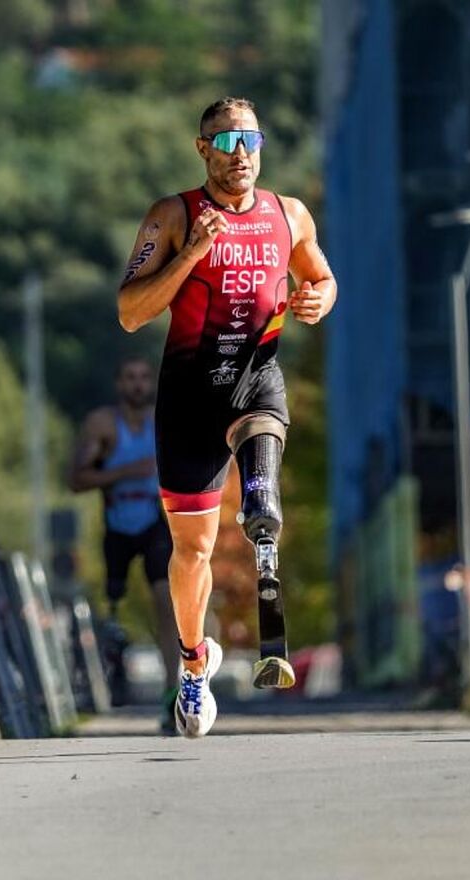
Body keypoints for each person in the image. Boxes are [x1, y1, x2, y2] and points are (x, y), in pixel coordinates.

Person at [117, 97, 337, 737]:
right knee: (192, 552)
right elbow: (130, 311)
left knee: (263, 438)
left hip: (256, 379)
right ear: (202, 148)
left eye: (251, 139)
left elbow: (322, 279)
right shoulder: (173, 216)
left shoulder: (287, 215)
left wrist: (318, 297)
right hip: (187, 397)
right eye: (226, 141)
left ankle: (261, 510)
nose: (241, 154)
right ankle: (194, 663)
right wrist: (190, 255)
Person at [68, 354, 180, 732]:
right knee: (110, 605)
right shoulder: (103, 425)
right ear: (119, 384)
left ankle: (172, 689)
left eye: (143, 378)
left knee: (166, 600)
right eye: (130, 377)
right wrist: (125, 471)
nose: (137, 384)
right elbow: (78, 479)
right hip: (117, 524)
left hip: (153, 521)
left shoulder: (162, 420)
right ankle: (104, 677)